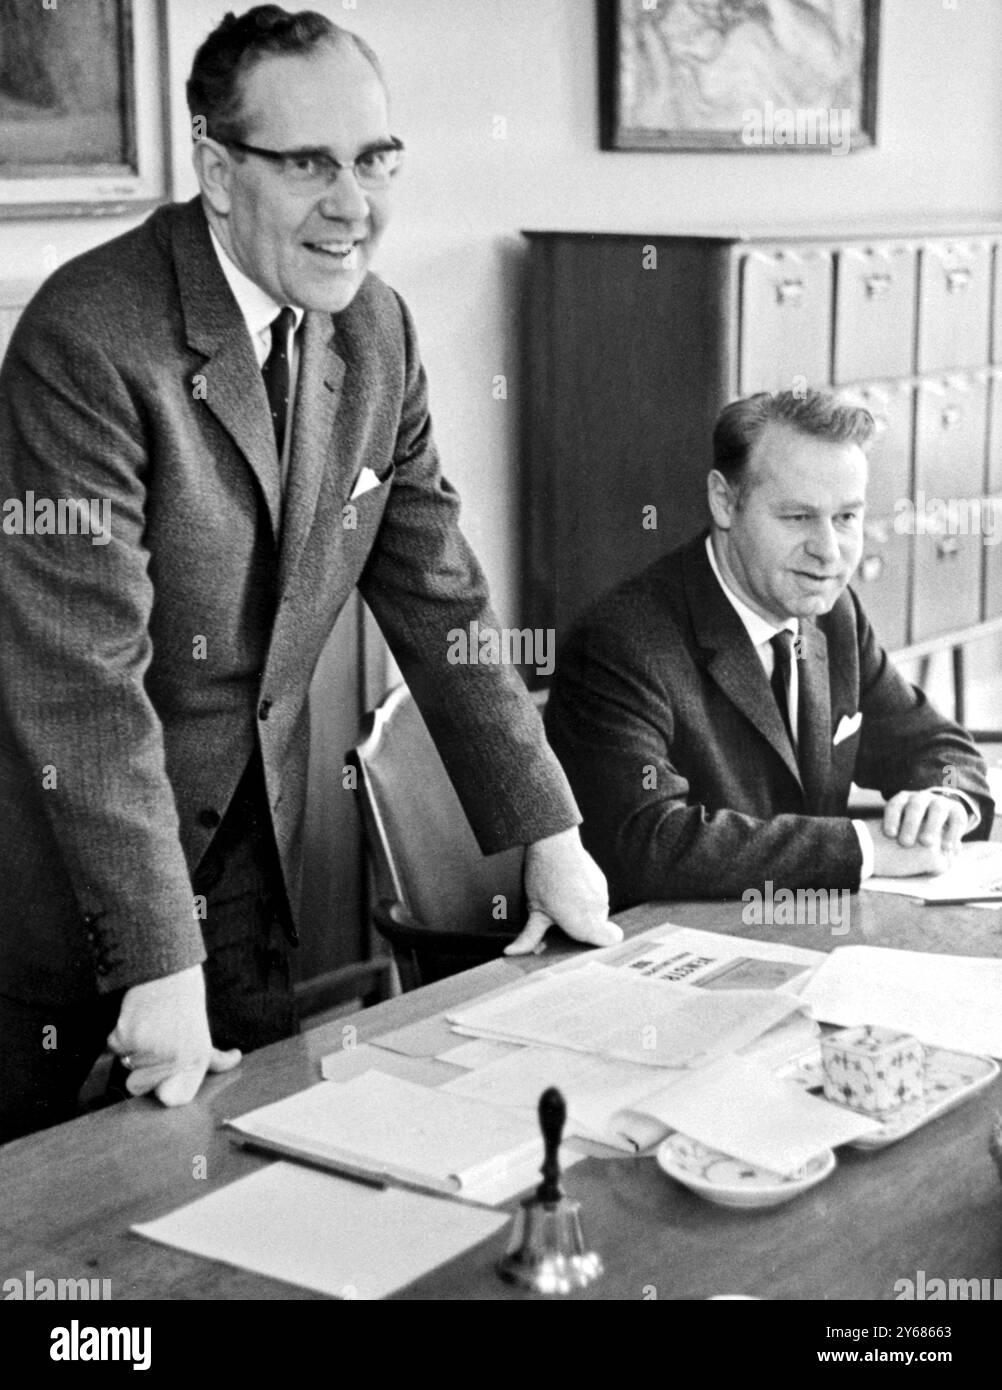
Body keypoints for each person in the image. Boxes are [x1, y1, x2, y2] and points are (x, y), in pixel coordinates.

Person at [0, 6, 617, 1144]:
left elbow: (442, 600)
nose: (357, 204)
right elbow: (80, 681)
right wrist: (153, 951)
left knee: (237, 1184)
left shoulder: (374, 330)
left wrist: (551, 834)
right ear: (217, 170)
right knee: (46, 1224)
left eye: (376, 158)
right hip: (63, 881)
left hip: (245, 865)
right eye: (310, 165)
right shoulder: (88, 337)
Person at [544, 389, 994, 911]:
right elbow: (648, 844)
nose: (828, 551)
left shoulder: (834, 613)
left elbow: (934, 743)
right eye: (799, 518)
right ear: (725, 502)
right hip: (659, 951)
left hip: (803, 933)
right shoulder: (622, 644)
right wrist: (865, 848)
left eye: (847, 518)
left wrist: (943, 801)